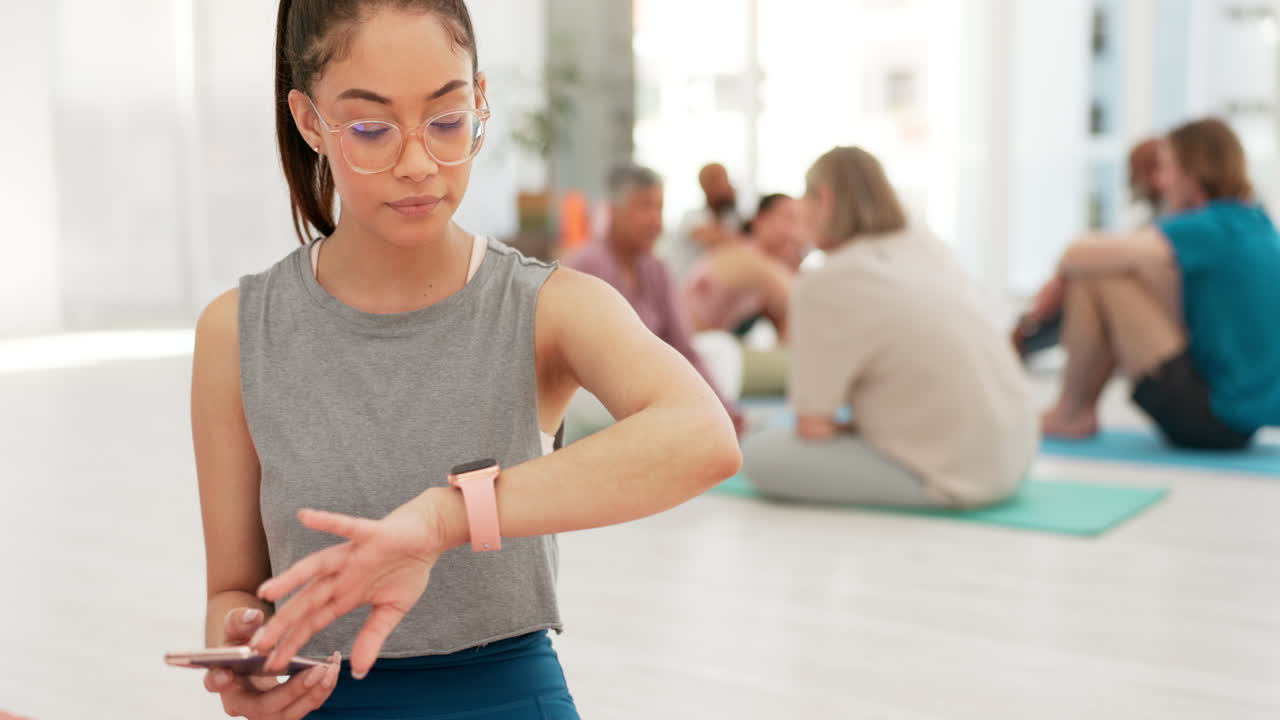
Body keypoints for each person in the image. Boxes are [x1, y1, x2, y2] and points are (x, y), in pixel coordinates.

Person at [191, 3, 741, 718]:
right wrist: (245, 658)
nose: (418, 164)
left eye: (446, 121)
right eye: (371, 129)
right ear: (308, 122)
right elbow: (232, 589)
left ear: (480, 101)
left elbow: (703, 437)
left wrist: (448, 518)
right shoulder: (237, 332)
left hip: (507, 694)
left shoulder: (549, 306)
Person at [741, 147, 1037, 508]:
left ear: (825, 200)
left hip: (956, 474)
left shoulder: (826, 280)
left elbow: (813, 426)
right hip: (1017, 453)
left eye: (804, 196)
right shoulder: (928, 247)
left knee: (758, 451)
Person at [1041, 118, 1280, 448]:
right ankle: (1074, 410)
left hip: (1211, 418)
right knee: (1116, 266)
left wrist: (1051, 293)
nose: (1162, 182)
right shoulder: (1254, 222)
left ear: (1192, 175)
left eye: (1168, 168)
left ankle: (1070, 412)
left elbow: (1074, 254)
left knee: (1101, 275)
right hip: (1242, 422)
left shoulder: (1205, 228)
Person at [563, 165, 745, 440]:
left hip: (654, 383)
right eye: (645, 207)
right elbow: (593, 358)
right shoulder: (586, 265)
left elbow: (682, 344)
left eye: (659, 208)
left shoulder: (657, 268)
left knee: (722, 348)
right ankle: (679, 416)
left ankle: (686, 414)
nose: (655, 221)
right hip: (598, 389)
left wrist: (722, 406)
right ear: (615, 211)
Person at [1013, 137, 1169, 359]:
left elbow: (1079, 255)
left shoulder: (1175, 220)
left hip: (1154, 312)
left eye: (1135, 170)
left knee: (1084, 281)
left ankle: (1025, 337)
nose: (1132, 179)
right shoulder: (1159, 217)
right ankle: (1026, 336)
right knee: (1079, 277)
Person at [682, 193, 808, 339]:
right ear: (760, 220)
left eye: (802, 222)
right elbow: (798, 298)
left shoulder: (765, 266)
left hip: (698, 345)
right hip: (681, 345)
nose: (795, 231)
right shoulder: (744, 256)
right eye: (790, 218)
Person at [660, 162, 743, 278]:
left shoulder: (731, 220)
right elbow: (719, 241)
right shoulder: (692, 217)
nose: (729, 186)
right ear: (707, 186)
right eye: (724, 180)